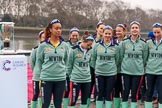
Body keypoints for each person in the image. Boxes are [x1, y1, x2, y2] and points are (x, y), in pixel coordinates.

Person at [35, 18, 69, 108]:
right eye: (56, 28)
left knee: (58, 105)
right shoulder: (43, 46)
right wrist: (40, 76)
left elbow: (66, 61)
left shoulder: (64, 45)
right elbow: (39, 62)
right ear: (50, 29)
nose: (58, 30)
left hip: (60, 79)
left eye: (60, 28)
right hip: (46, 79)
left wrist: (63, 72)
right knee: (45, 105)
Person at [120, 21, 147, 108]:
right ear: (130, 30)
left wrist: (139, 66)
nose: (134, 29)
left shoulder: (143, 43)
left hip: (138, 72)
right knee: (125, 92)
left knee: (135, 94)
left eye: (136, 28)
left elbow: (144, 58)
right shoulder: (124, 42)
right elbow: (120, 56)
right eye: (133, 28)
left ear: (139, 30)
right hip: (126, 72)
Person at [91, 25, 119, 108]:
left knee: (108, 94)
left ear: (112, 35)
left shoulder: (116, 46)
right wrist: (97, 68)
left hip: (111, 73)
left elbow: (118, 60)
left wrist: (112, 68)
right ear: (103, 34)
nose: (107, 35)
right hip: (99, 73)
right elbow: (93, 59)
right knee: (99, 94)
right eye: (106, 33)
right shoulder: (96, 45)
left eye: (109, 33)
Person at [67, 31, 94, 108]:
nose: (89, 46)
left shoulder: (91, 50)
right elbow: (69, 65)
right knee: (73, 100)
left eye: (90, 45)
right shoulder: (73, 50)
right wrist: (70, 76)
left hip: (87, 79)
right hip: (76, 79)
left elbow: (90, 63)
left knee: (84, 101)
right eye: (88, 45)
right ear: (83, 41)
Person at [145, 22, 162, 108]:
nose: (156, 34)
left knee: (161, 93)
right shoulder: (148, 43)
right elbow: (145, 56)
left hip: (160, 73)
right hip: (150, 71)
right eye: (154, 32)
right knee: (149, 92)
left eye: (158, 32)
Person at [89, 21, 105, 105]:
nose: (102, 30)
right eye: (101, 28)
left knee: (100, 84)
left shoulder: (107, 39)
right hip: (92, 65)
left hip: (102, 66)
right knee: (91, 83)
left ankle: (99, 98)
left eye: (103, 28)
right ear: (97, 29)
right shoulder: (91, 39)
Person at [63, 27, 80, 108]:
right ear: (70, 35)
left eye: (76, 35)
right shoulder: (65, 44)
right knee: (66, 90)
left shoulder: (80, 44)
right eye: (73, 35)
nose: (75, 37)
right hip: (66, 71)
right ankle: (65, 106)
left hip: (76, 72)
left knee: (73, 92)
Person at [30, 30, 46, 108]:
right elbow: (32, 63)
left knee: (45, 95)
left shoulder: (50, 49)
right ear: (40, 38)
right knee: (36, 94)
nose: (45, 39)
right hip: (37, 76)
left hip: (47, 76)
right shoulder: (35, 49)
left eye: (46, 37)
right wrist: (36, 71)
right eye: (43, 37)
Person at [113, 24, 127, 108]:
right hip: (114, 70)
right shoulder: (112, 42)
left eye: (120, 31)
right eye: (117, 31)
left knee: (124, 89)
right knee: (116, 89)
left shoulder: (127, 41)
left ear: (124, 31)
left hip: (124, 70)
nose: (118, 32)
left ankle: (124, 105)